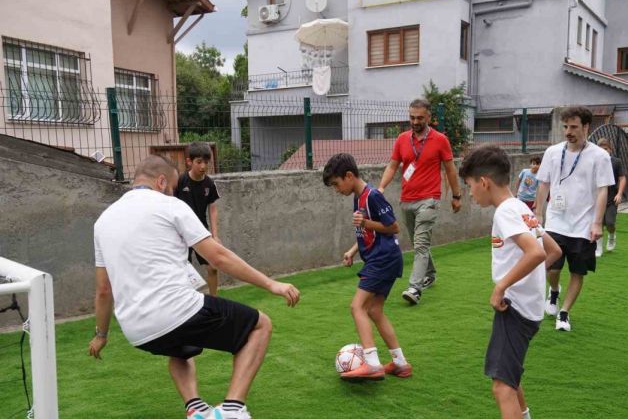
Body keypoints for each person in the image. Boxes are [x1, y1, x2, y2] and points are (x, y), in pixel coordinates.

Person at [88, 155, 300, 419]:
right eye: (173, 187)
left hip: (137, 332)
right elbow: (218, 257)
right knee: (260, 325)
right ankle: (232, 410)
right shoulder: (170, 205)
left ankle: (196, 410)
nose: (174, 192)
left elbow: (103, 290)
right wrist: (271, 284)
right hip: (176, 312)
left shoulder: (103, 221)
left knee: (180, 348)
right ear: (162, 181)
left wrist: (101, 335)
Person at [458, 145, 561, 419]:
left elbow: (537, 253)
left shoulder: (505, 212)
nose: (469, 193)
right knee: (510, 374)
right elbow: (554, 252)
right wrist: (529, 276)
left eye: (469, 186)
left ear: (484, 182)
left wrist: (501, 286)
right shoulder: (522, 209)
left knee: (502, 387)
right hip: (528, 310)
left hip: (514, 310)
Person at [323, 153, 412, 381]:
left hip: (383, 258)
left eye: (336, 183)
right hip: (382, 258)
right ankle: (400, 363)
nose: (336, 189)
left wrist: (365, 222)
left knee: (357, 307)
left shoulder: (373, 196)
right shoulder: (358, 197)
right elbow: (368, 229)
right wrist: (353, 251)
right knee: (374, 310)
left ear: (349, 176)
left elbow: (392, 227)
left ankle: (372, 364)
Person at [534, 106, 614, 332]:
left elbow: (602, 191)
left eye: (574, 127)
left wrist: (597, 223)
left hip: (583, 226)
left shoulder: (600, 156)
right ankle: (555, 291)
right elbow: (544, 184)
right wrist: (538, 212)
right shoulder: (552, 152)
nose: (568, 131)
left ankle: (564, 312)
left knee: (577, 271)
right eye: (565, 127)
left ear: (586, 126)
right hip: (555, 222)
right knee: (552, 269)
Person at [378, 99, 463, 305]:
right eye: (412, 117)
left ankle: (414, 288)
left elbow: (450, 169)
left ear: (429, 118)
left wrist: (456, 195)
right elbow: (392, 166)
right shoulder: (401, 139)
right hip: (407, 199)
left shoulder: (440, 140)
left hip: (429, 199)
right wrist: (381, 188)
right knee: (418, 242)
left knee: (421, 243)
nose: (415, 121)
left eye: (419, 118)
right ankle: (430, 273)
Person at [175, 142, 221, 296]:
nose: (203, 166)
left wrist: (215, 235)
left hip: (201, 232)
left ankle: (214, 300)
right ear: (189, 162)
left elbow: (213, 208)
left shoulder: (209, 184)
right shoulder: (180, 182)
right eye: (199, 162)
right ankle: (184, 300)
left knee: (213, 266)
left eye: (206, 162)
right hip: (180, 234)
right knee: (182, 269)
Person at [595, 138, 626, 256]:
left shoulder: (616, 162)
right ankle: (598, 248)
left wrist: (619, 194)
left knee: (610, 222)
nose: (603, 151)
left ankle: (612, 235)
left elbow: (622, 178)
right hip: (597, 199)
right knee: (598, 223)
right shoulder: (593, 162)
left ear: (610, 150)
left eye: (606, 149)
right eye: (600, 149)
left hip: (612, 199)